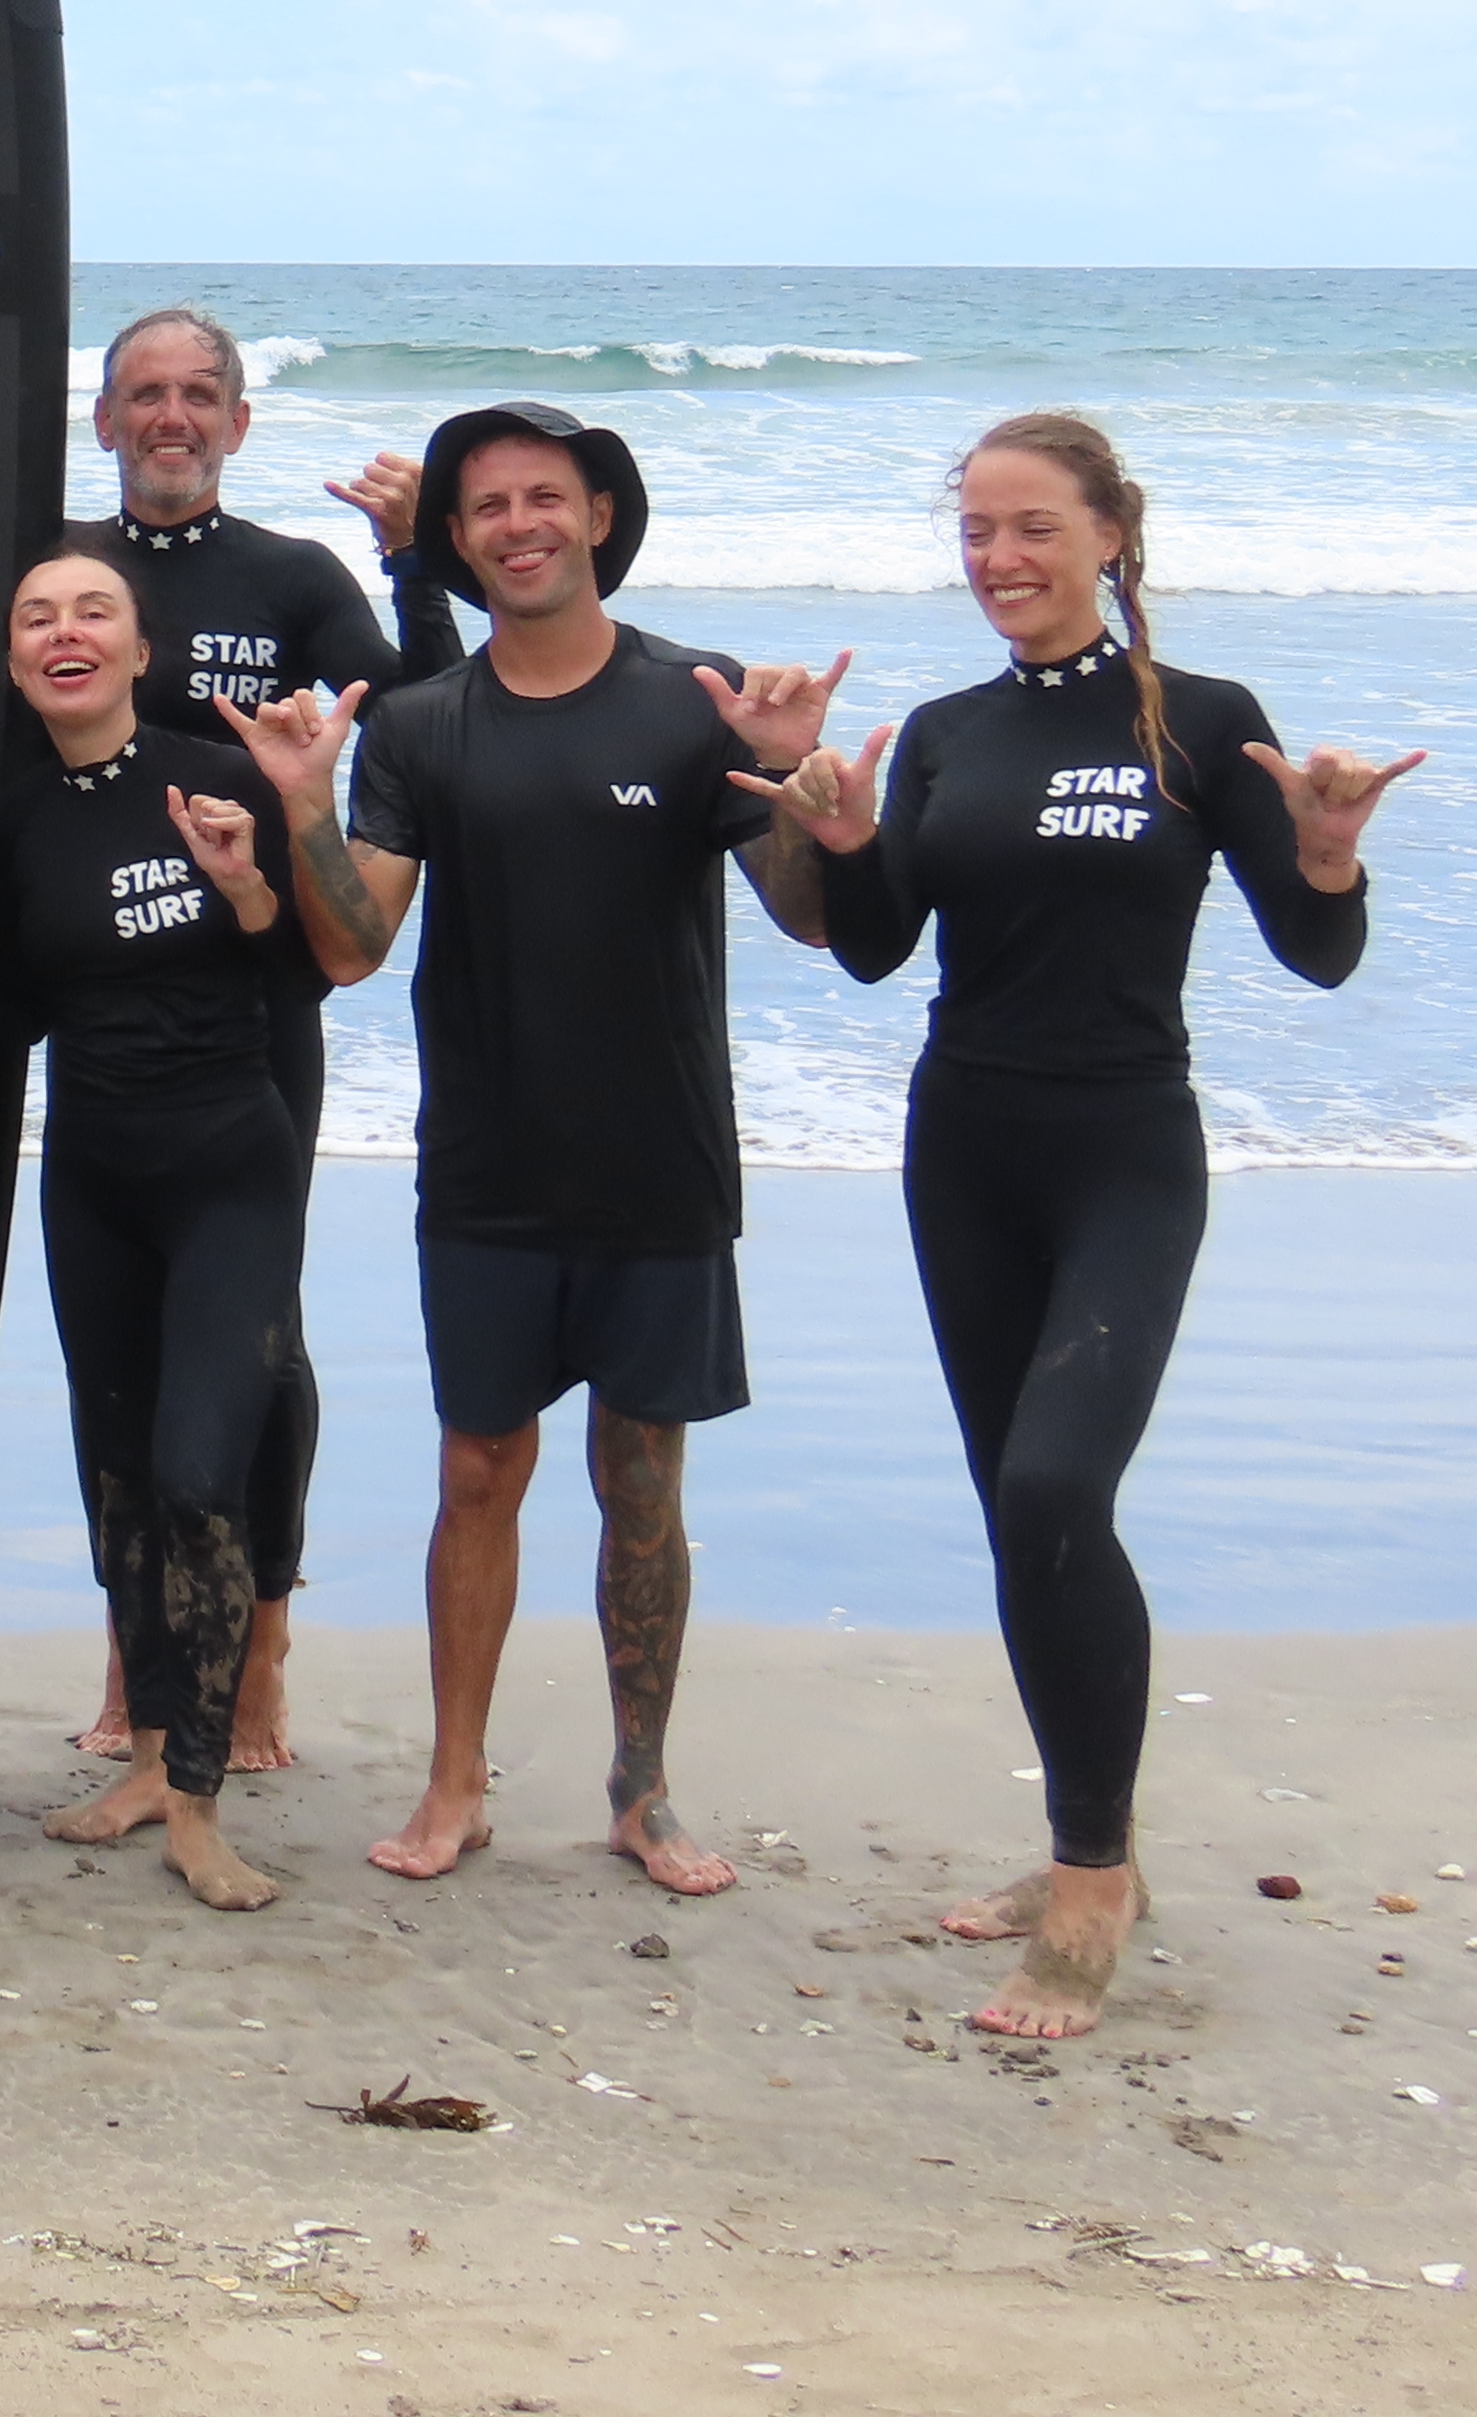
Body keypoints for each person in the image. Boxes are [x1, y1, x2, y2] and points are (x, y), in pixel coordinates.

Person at [752, 412, 1410, 2038]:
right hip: (962, 1150)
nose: (997, 558)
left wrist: (1328, 857)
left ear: (1111, 534)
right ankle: (1081, 1840)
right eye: (974, 530)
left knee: (1057, 1485)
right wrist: (840, 839)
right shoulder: (945, 734)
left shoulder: (1203, 722)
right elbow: (872, 950)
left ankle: (1093, 1876)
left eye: (1031, 526)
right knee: (1019, 1515)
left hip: (1124, 1151)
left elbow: (1316, 952)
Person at [224, 399, 844, 1896]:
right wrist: (304, 811)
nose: (520, 526)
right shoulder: (425, 725)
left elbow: (812, 919)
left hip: (660, 1159)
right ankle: (456, 1782)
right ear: (457, 536)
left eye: (545, 497)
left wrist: (799, 787)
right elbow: (353, 945)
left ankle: (643, 1790)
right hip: (488, 1162)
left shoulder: (696, 700)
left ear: (599, 517)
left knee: (643, 1485)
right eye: (489, 506)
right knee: (478, 1472)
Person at [63, 303, 468, 1774]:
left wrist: (416, 564)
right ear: (103, 419)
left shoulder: (291, 576)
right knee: (112, 1345)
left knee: (256, 1335)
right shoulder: (63, 572)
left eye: (199, 395)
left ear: (238, 423)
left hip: (255, 1000)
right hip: (103, 1007)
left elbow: (424, 717)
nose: (170, 418)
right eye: (144, 394)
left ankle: (265, 1636)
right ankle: (136, 1648)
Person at [0, 533, 309, 1910]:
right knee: (119, 1476)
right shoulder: (13, 815)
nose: (65, 632)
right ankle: (143, 1760)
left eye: (93, 612)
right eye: (37, 617)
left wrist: (246, 881)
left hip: (230, 1166)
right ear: (17, 660)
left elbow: (311, 962)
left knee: (196, 1476)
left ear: (139, 649)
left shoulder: (221, 777)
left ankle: (198, 1800)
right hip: (93, 1176)